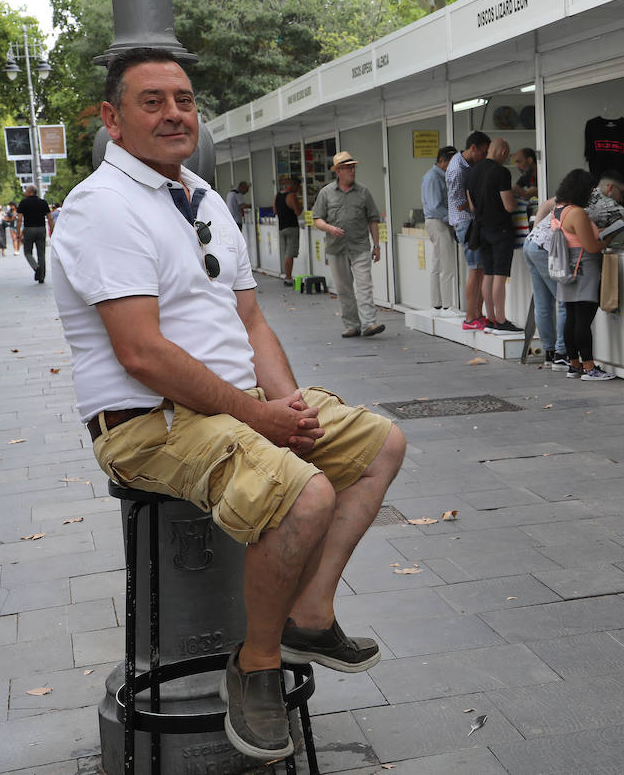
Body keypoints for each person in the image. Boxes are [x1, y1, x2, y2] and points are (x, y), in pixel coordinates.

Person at [48, 47, 406, 761]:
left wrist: (289, 406)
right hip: (146, 422)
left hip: (233, 406)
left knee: (379, 444)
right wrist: (259, 420)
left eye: (184, 99)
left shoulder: (201, 196)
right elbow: (141, 354)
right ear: (113, 121)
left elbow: (250, 320)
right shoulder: (102, 207)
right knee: (303, 496)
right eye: (153, 101)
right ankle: (256, 665)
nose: (175, 113)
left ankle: (309, 612)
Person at [312, 152, 385, 338]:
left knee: (364, 285)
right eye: (348, 167)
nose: (352, 170)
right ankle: (352, 325)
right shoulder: (326, 193)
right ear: (338, 171)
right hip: (336, 248)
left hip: (360, 246)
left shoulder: (363, 192)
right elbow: (317, 219)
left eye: (353, 167)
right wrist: (329, 228)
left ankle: (369, 323)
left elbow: (373, 220)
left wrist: (376, 246)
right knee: (344, 288)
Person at [552, 169, 615, 381]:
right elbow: (591, 247)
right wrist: (611, 236)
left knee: (571, 317)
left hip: (566, 268)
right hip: (584, 268)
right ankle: (590, 367)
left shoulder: (558, 210)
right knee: (583, 320)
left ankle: (574, 364)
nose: (591, 194)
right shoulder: (577, 213)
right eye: (590, 190)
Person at [465, 138, 521, 332]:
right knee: (500, 274)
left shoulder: (472, 171)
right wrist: (516, 200)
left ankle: (489, 318)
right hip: (500, 229)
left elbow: (471, 205)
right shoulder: (501, 172)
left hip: (481, 230)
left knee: (487, 273)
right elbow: (508, 205)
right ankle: (501, 318)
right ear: (504, 152)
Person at [447, 132, 490, 330]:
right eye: (483, 152)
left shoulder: (466, 164)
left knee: (480, 270)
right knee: (474, 271)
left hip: (471, 222)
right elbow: (459, 203)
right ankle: (470, 317)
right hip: (466, 223)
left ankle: (478, 314)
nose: (484, 156)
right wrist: (479, 205)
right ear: (473, 148)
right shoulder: (457, 169)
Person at [523, 193, 568, 367]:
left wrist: (535, 231)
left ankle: (549, 352)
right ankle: (561, 353)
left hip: (532, 243)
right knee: (564, 300)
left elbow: (544, 205)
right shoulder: (585, 196)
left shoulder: (566, 194)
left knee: (542, 303)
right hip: (544, 248)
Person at [421, 146, 458, 314]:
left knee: (437, 264)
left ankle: (437, 304)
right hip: (438, 222)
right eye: (452, 161)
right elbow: (436, 206)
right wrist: (454, 220)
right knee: (447, 264)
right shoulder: (434, 178)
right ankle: (447, 305)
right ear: (443, 160)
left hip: (436, 222)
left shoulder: (435, 176)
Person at [17, 184, 53, 284]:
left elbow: (19, 219)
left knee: (27, 252)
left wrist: (18, 232)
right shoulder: (43, 203)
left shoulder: (23, 203)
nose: (25, 192)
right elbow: (49, 218)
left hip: (28, 230)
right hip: (41, 229)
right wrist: (52, 230)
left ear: (29, 192)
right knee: (41, 253)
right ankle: (41, 277)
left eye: (26, 191)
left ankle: (36, 267)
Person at [275, 177, 302, 283]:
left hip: (281, 227)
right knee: (290, 254)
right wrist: (303, 207)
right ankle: (288, 277)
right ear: (294, 185)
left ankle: (287, 276)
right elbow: (297, 212)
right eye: (298, 187)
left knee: (285, 253)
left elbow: (274, 210)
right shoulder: (291, 195)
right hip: (292, 227)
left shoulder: (277, 195)